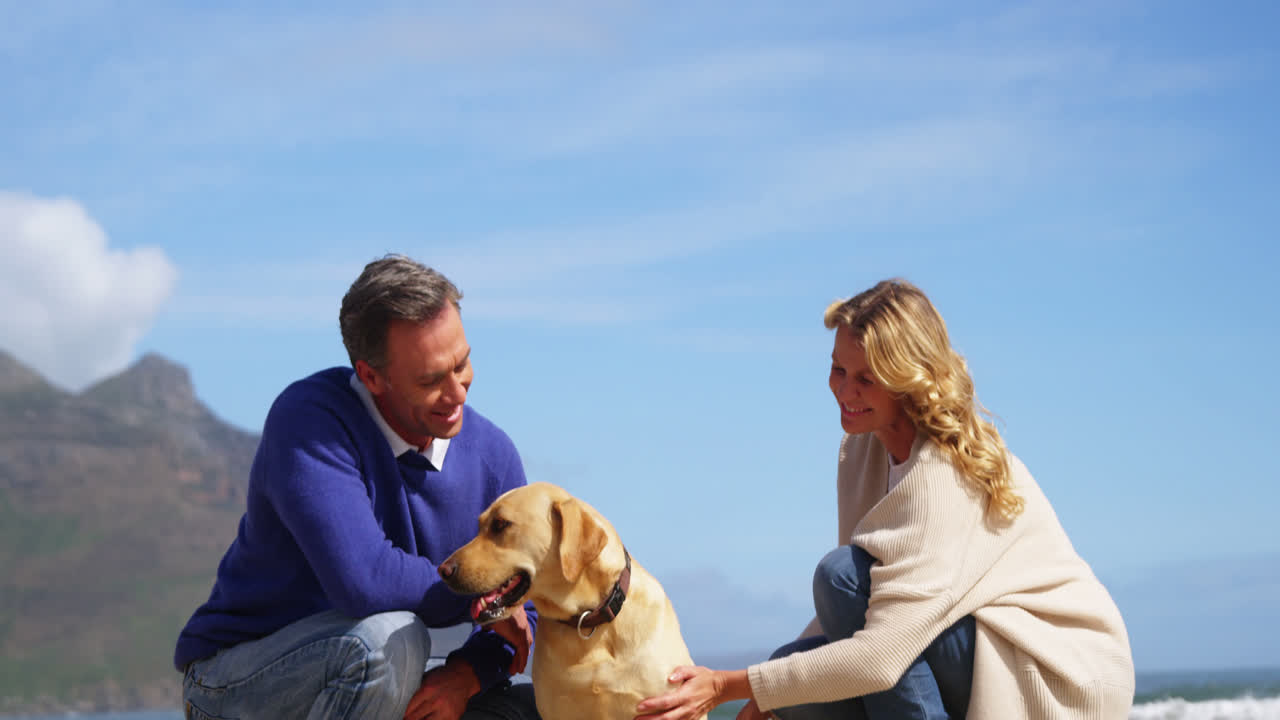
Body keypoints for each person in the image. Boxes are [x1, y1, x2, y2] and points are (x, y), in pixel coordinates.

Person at [635, 279, 1135, 720]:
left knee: (840, 579)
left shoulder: (941, 472)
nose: (845, 391)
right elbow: (860, 614)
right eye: (838, 371)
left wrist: (727, 684)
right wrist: (769, 688)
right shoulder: (862, 450)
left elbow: (877, 647)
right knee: (794, 671)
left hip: (1054, 671)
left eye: (866, 378)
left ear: (907, 379)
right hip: (961, 643)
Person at [174, 254, 543, 720]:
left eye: (462, 364)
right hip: (242, 683)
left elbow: (523, 608)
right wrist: (479, 594)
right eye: (431, 380)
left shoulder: (494, 457)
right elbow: (363, 582)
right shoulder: (309, 421)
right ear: (371, 377)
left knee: (556, 710)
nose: (457, 394)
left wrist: (464, 677)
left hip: (397, 684)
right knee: (389, 640)